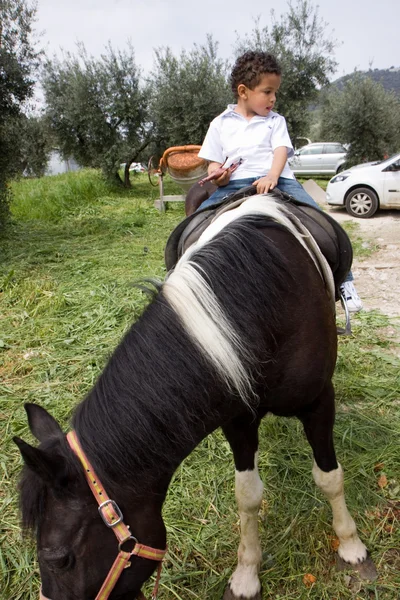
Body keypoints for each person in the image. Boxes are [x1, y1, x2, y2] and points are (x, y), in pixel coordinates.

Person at [197, 50, 362, 312]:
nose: (273, 99)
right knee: (195, 224)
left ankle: (346, 282)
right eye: (267, 92)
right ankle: (180, 279)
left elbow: (280, 151)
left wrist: (273, 175)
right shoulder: (219, 124)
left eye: (275, 92)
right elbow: (213, 163)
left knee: (322, 222)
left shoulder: (275, 121)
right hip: (234, 185)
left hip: (278, 181)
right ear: (243, 91)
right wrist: (220, 175)